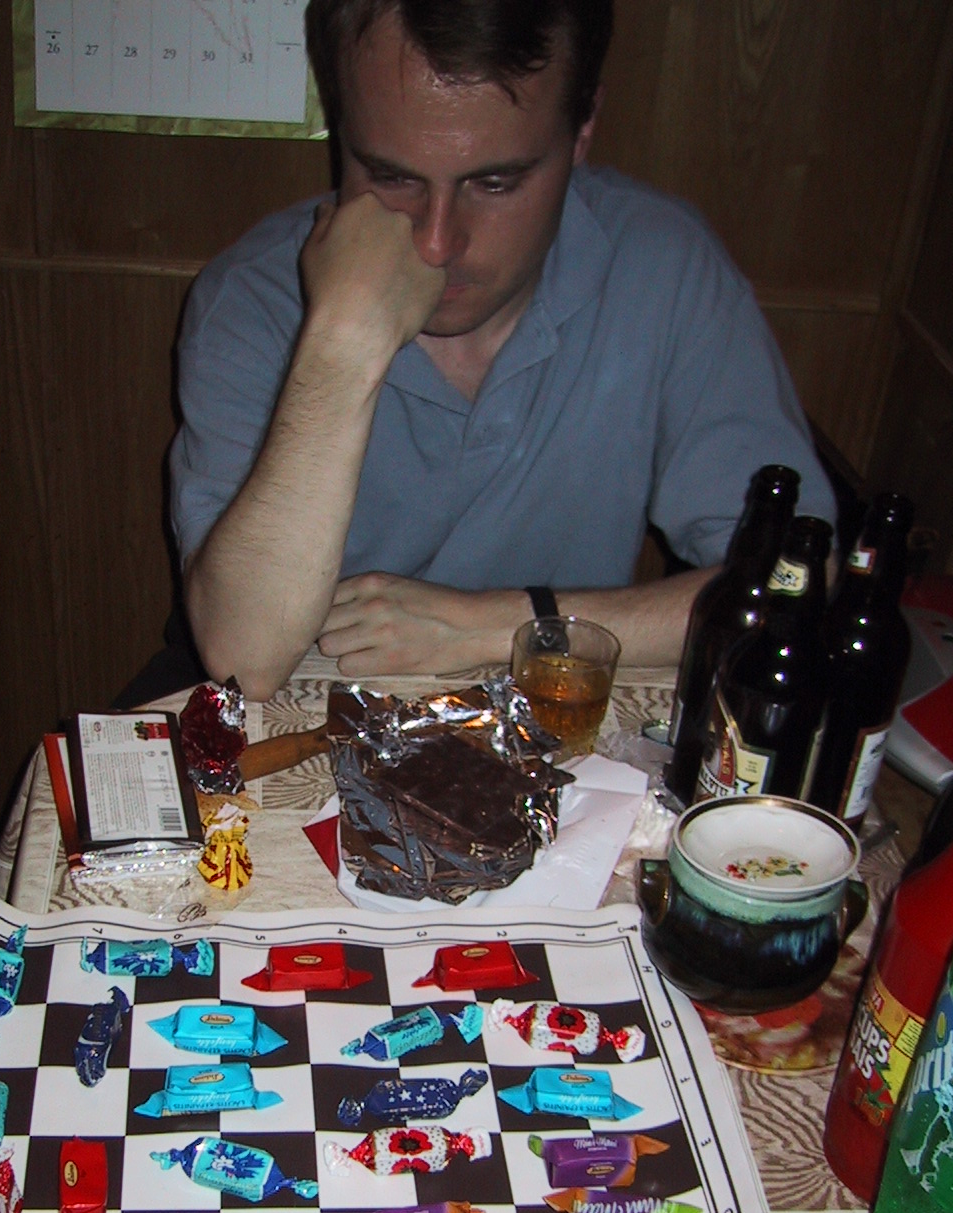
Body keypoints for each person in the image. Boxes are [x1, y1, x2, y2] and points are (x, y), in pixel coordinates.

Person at [171, 0, 835, 700]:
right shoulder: (255, 296)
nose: (435, 243)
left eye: (494, 183)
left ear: (583, 129)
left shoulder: (664, 266)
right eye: (391, 177)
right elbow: (245, 657)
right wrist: (341, 345)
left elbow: (802, 581)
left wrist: (499, 626)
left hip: (552, 719)